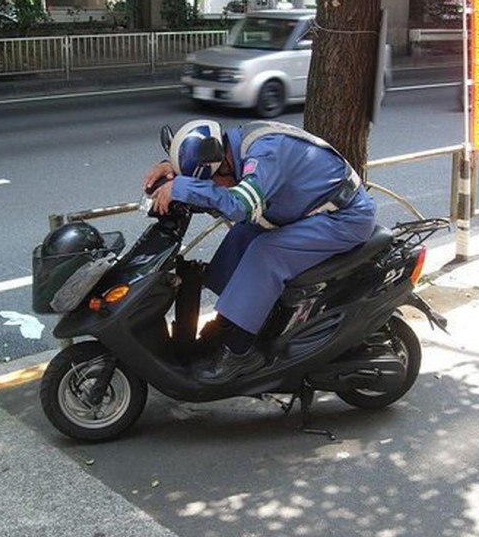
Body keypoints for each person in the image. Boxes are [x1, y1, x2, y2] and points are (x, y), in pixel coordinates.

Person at [143, 119, 376, 384]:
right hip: (305, 210)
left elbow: (240, 204)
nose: (219, 185)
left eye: (216, 180)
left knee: (266, 253)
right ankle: (229, 325)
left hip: (343, 217)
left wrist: (184, 188)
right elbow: (218, 185)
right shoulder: (229, 149)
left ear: (224, 162)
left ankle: (240, 352)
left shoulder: (265, 154)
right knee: (241, 237)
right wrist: (172, 170)